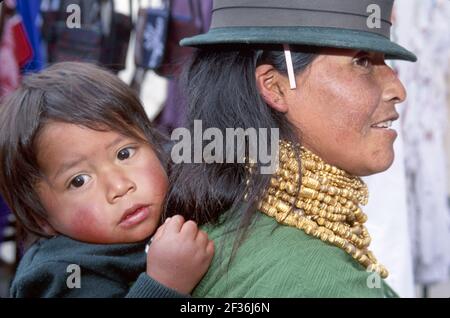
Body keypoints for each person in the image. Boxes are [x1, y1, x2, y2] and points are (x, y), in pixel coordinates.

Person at [166, 0, 417, 297]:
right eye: (362, 61)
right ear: (274, 86)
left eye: (385, 61)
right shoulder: (335, 286)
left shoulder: (202, 229)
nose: (397, 90)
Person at [0, 62, 214, 297]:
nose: (120, 187)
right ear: (40, 217)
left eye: (124, 154)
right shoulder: (61, 274)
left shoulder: (176, 172)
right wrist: (164, 284)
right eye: (79, 180)